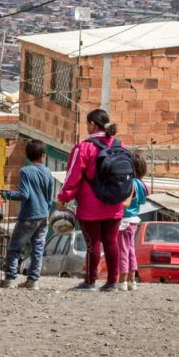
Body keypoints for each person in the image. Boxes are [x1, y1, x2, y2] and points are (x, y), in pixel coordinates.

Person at [57, 108, 125, 292]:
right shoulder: (119, 145)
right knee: (111, 242)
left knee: (92, 244)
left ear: (92, 124)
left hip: (90, 206)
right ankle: (112, 282)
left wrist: (63, 197)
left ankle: (90, 281)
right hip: (114, 203)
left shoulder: (84, 147)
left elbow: (73, 176)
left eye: (87, 123)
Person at [0, 140, 54, 290]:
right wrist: (46, 211)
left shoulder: (25, 171)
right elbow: (49, 197)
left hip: (28, 216)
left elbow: (24, 194)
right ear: (43, 156)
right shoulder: (48, 172)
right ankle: (33, 281)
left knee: (14, 247)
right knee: (38, 248)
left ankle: (10, 279)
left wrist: (7, 195)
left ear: (28, 156)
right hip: (43, 216)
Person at [117, 152, 149, 292]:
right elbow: (141, 201)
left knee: (123, 250)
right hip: (134, 219)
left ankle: (122, 280)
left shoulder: (131, 183)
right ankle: (132, 280)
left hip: (124, 220)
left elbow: (125, 203)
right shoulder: (142, 184)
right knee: (131, 250)